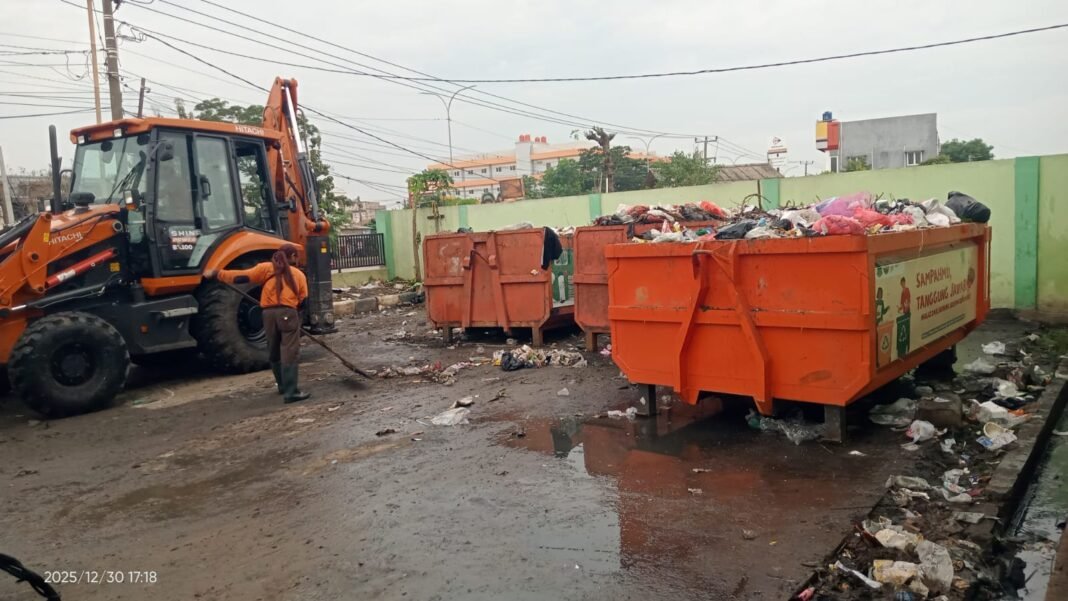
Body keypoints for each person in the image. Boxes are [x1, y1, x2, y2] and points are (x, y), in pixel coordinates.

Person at [205, 244, 310, 403]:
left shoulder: (265, 269)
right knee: (289, 351)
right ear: (293, 256)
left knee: (273, 349)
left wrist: (217, 273)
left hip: (267, 314)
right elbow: (303, 300)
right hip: (288, 313)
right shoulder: (298, 274)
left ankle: (282, 386)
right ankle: (291, 393)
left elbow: (241, 277)